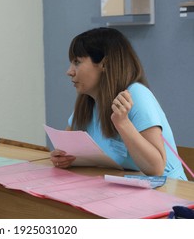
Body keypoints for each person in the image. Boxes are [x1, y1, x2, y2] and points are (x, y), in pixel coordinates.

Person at [50, 27, 187, 180]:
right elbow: (66, 150)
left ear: (104, 64)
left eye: (77, 62)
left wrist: (122, 123)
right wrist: (62, 158)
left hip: (167, 193)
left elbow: (155, 169)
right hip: (121, 190)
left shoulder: (136, 94)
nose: (69, 71)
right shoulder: (87, 101)